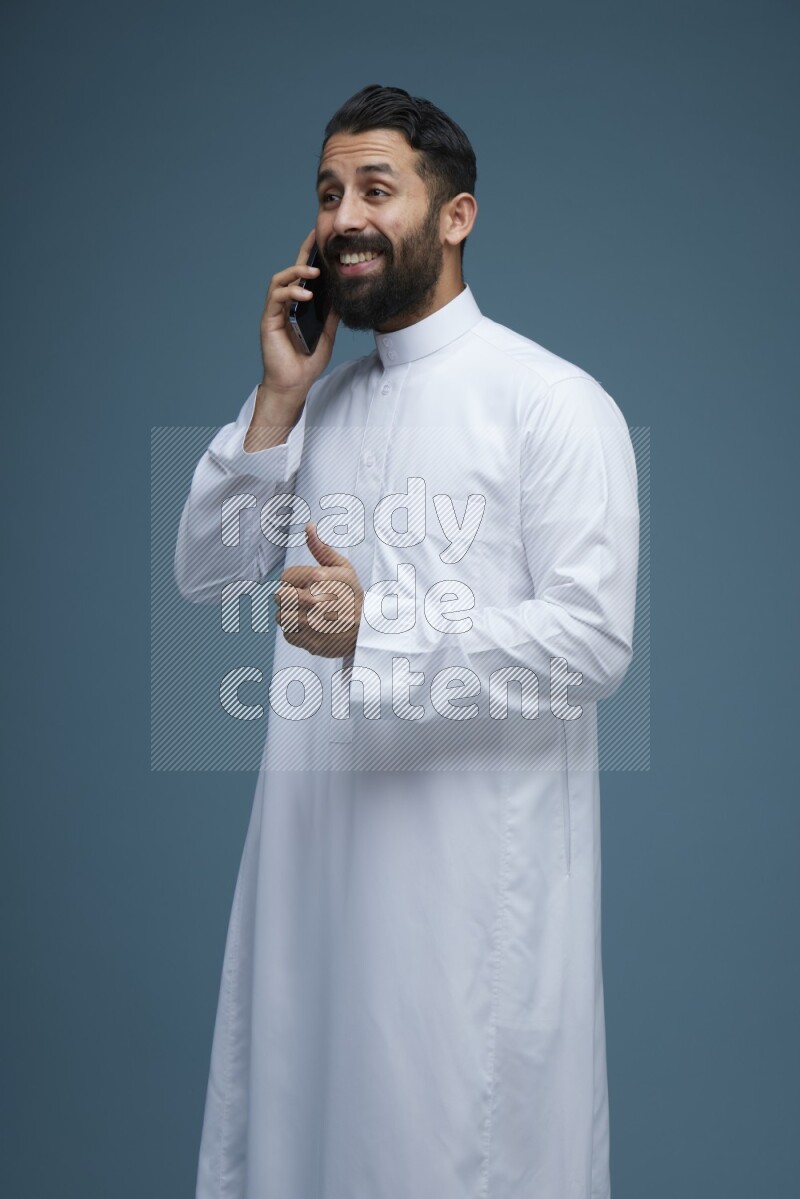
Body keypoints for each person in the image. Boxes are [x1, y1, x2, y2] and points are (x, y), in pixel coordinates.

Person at [175, 83, 639, 1199]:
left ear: (456, 214)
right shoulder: (318, 410)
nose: (343, 216)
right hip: (308, 891)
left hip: (464, 908)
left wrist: (374, 628)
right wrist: (278, 400)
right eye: (329, 193)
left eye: (376, 187)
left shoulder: (551, 402)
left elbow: (588, 642)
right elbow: (205, 569)